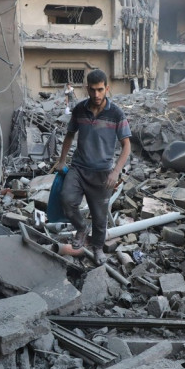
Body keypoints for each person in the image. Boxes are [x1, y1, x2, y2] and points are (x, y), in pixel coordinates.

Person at [52, 69, 131, 264]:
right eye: (93, 90)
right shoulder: (79, 110)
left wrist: (116, 171)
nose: (96, 95)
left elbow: (126, 145)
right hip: (79, 168)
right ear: (87, 88)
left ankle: (97, 249)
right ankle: (81, 228)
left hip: (103, 173)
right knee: (66, 199)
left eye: (100, 90)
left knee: (99, 217)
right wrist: (62, 161)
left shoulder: (116, 113)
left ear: (107, 88)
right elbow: (70, 134)